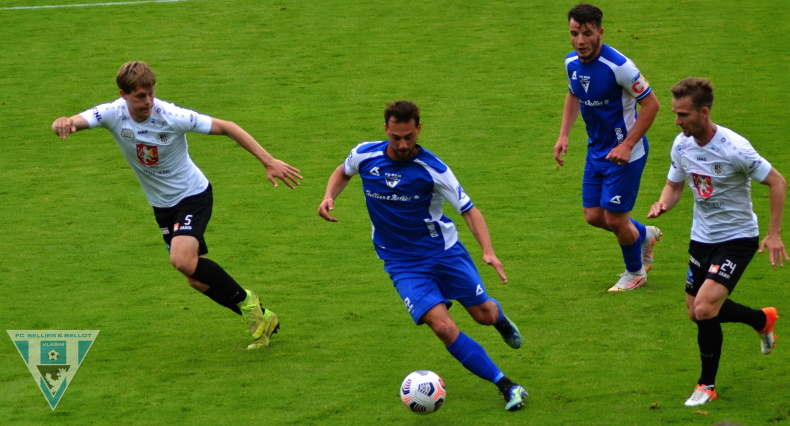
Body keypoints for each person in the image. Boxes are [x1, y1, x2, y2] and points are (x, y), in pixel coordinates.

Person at [51, 61, 302, 350]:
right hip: (162, 206)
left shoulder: (171, 116)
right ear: (123, 95)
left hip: (192, 196)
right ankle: (264, 318)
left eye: (150, 93)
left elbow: (227, 127)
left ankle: (248, 302)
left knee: (182, 260)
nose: (148, 101)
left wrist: (268, 161)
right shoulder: (112, 113)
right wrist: (63, 122)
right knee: (195, 278)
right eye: (140, 96)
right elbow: (75, 121)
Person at [317, 101, 528, 411]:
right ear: (385, 130)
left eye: (409, 137)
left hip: (444, 253)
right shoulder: (364, 154)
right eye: (396, 137)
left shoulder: (434, 169)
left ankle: (498, 318)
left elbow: (469, 210)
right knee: (442, 327)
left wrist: (488, 251)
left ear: (419, 129)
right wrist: (328, 196)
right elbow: (342, 172)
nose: (403, 145)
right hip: (401, 262)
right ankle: (507, 385)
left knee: (482, 315)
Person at [648, 77, 785, 406]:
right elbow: (674, 186)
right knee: (695, 312)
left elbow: (777, 182)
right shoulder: (682, 145)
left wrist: (774, 233)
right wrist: (663, 203)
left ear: (704, 112)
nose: (677, 121)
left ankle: (706, 385)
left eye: (683, 115)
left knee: (706, 307)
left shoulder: (735, 148)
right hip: (702, 238)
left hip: (737, 238)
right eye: (675, 114)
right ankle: (761, 319)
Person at [554, 3, 662, 292]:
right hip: (597, 151)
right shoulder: (571, 63)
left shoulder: (620, 67)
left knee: (615, 219)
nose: (580, 41)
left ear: (600, 32)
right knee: (593, 216)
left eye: (587, 33)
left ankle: (635, 272)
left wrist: (627, 145)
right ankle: (644, 234)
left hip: (626, 155)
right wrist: (563, 135)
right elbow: (573, 94)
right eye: (574, 33)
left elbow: (651, 105)